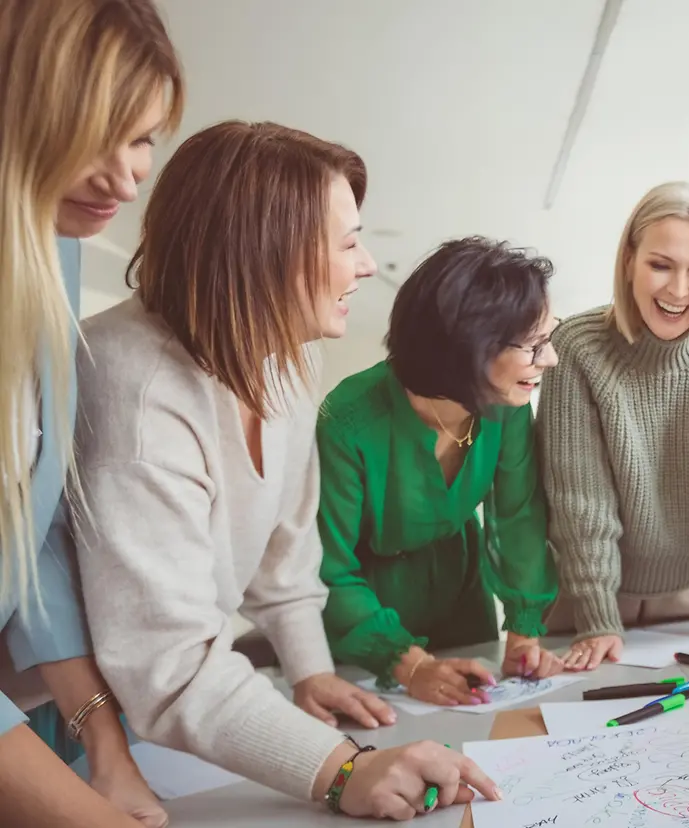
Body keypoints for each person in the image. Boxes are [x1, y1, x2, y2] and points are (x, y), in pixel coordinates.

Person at [72, 121, 500, 819]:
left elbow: (286, 553)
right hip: (70, 717)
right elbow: (169, 666)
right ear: (268, 254)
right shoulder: (135, 389)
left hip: (161, 711)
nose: (365, 266)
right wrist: (341, 771)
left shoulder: (289, 356)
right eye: (349, 242)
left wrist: (311, 670)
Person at [0, 1, 180, 824]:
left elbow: (29, 526)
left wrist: (103, 746)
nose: (128, 177)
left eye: (142, 138)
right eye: (93, 136)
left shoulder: (55, 241)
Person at [538, 181, 689, 671]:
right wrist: (599, 618)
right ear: (629, 259)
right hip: (588, 597)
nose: (678, 291)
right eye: (660, 265)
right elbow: (581, 505)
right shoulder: (578, 348)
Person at [318, 236, 563, 704]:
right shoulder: (347, 421)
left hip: (460, 591)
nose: (550, 359)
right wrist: (409, 665)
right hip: (364, 614)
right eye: (535, 345)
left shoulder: (506, 404)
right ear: (472, 347)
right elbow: (327, 567)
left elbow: (518, 518)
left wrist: (524, 635)